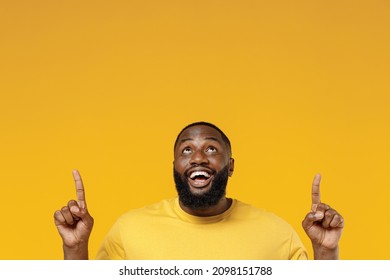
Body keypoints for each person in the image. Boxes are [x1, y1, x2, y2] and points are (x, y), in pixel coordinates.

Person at [54, 121, 344, 260]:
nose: (198, 158)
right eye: (187, 150)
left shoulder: (277, 234)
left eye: (211, 148)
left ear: (230, 166)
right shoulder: (128, 230)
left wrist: (326, 250)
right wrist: (75, 247)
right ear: (175, 166)